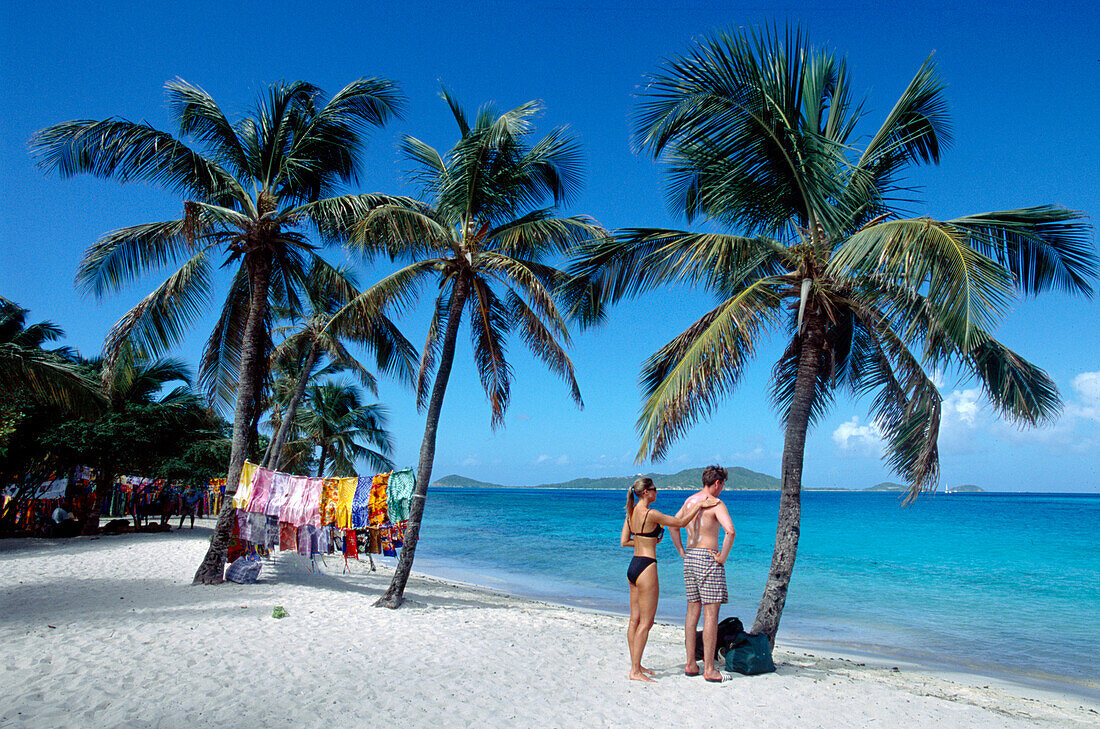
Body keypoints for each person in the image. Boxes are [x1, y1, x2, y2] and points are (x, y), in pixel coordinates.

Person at [621, 476, 717, 683]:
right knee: (646, 623)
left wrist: (648, 540)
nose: (657, 492)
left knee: (634, 620)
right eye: (655, 489)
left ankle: (636, 665)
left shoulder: (630, 513)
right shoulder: (651, 514)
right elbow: (681, 522)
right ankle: (635, 671)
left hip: (633, 566)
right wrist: (699, 505)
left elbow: (624, 541)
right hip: (646, 566)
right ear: (646, 492)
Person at [670, 465, 736, 682]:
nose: (722, 490)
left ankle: (690, 663)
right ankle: (709, 668)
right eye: (722, 485)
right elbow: (730, 531)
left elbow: (674, 525)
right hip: (707, 558)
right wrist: (722, 557)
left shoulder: (690, 501)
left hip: (690, 557)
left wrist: (681, 550)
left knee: (692, 611)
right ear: (717, 483)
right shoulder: (716, 503)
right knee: (710, 614)